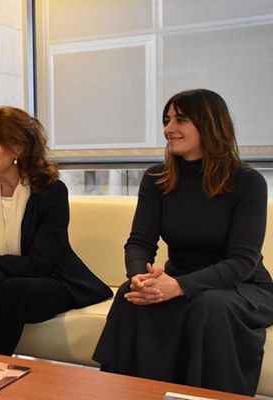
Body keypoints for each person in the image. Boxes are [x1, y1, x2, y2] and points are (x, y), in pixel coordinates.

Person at [93, 89, 273, 395]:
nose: (169, 128)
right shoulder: (156, 178)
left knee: (208, 305)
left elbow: (242, 262)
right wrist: (139, 278)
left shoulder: (247, 182)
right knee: (129, 295)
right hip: (179, 277)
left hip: (240, 287)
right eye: (167, 120)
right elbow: (139, 242)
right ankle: (128, 393)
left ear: (209, 123)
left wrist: (179, 286)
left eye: (180, 119)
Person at [0, 106, 112, 357]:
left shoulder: (50, 191)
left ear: (17, 149)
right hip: (5, 275)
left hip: (53, 278)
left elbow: (41, 263)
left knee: (11, 288)